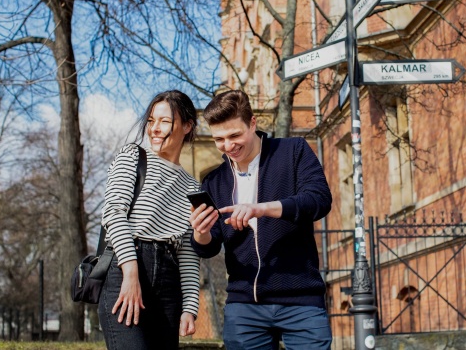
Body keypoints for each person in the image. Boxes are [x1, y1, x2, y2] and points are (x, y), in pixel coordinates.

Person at [189, 90, 332, 350]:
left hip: (301, 300)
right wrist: (201, 232)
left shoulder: (293, 151)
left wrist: (263, 208)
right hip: (244, 307)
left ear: (253, 123)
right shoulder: (214, 181)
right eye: (219, 139)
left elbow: (319, 200)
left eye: (234, 135)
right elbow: (208, 247)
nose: (228, 146)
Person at [99, 90, 201, 350]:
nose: (155, 128)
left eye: (165, 121)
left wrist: (189, 307)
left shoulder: (193, 186)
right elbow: (114, 213)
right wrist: (130, 273)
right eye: (151, 120)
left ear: (187, 126)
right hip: (126, 267)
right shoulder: (132, 156)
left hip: (168, 280)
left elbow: (188, 251)